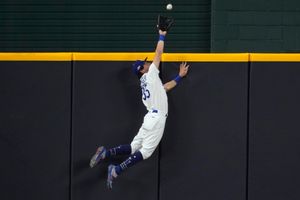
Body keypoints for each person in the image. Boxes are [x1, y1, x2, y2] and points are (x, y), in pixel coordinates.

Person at [90, 28, 189, 189]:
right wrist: (162, 35)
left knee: (133, 147)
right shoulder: (150, 75)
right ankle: (116, 169)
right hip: (156, 120)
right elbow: (158, 53)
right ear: (142, 69)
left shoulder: (147, 83)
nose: (148, 62)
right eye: (145, 63)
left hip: (150, 118)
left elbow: (165, 88)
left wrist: (179, 76)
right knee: (145, 152)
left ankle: (106, 153)